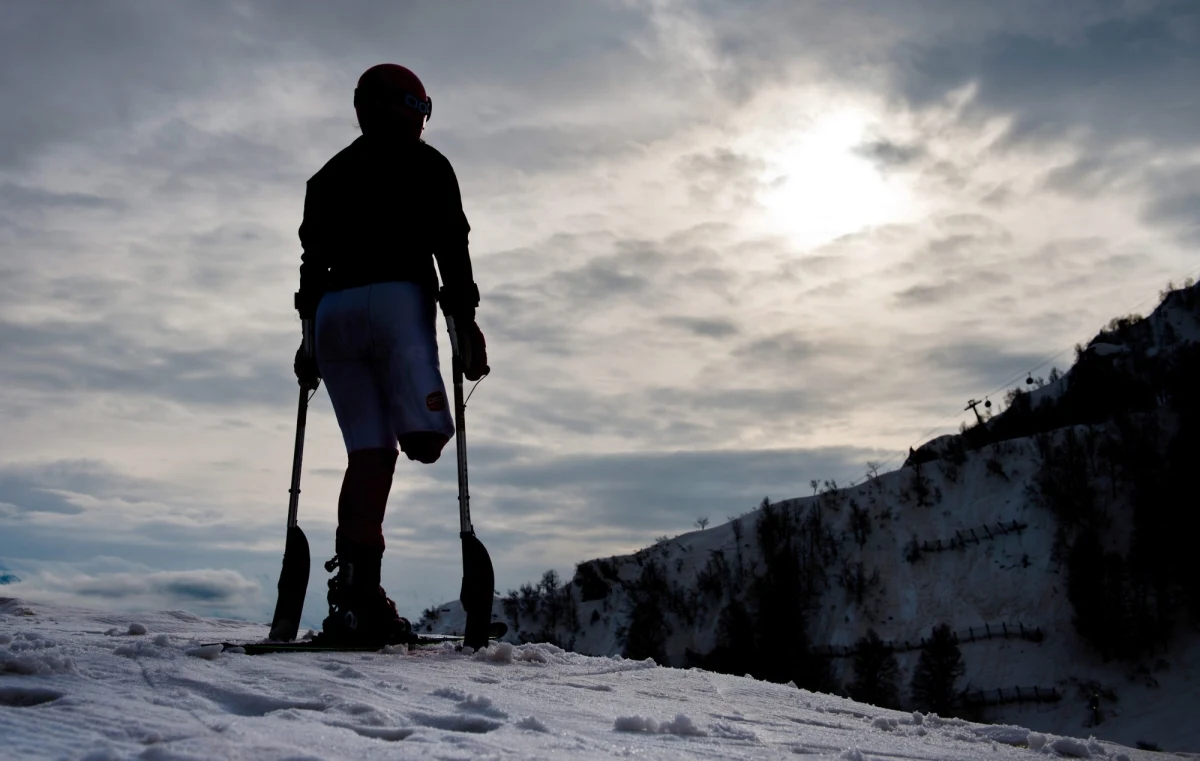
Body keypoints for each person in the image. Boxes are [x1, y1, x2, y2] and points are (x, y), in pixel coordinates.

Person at [292, 63, 489, 645]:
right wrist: (465, 322)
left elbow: (311, 266)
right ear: (411, 109)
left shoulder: (326, 178)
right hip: (399, 304)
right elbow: (451, 243)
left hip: (334, 316)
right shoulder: (429, 165)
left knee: (369, 454)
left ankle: (357, 596)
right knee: (425, 442)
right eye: (422, 108)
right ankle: (362, 594)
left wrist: (308, 339)